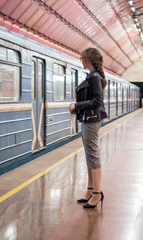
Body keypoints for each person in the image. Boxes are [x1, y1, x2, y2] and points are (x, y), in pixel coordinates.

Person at [69, 47, 107, 208]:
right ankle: (90, 189)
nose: (81, 61)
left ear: (89, 60)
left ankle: (97, 193)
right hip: (88, 118)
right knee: (89, 155)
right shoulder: (92, 75)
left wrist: (76, 105)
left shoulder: (95, 77)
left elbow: (97, 101)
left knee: (93, 154)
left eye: (82, 58)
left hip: (92, 119)